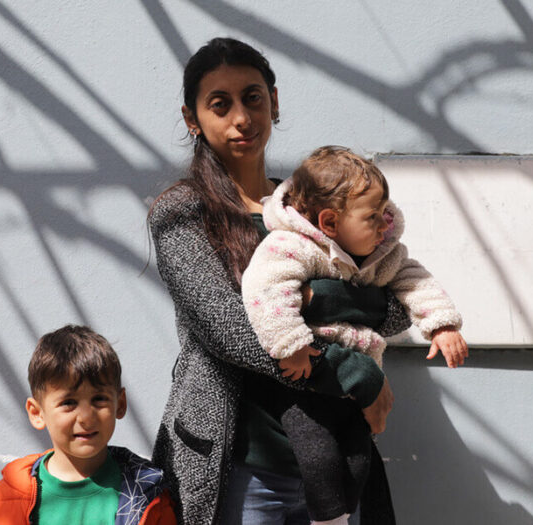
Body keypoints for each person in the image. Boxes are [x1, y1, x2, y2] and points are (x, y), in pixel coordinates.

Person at [149, 37, 411, 525]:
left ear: (274, 100)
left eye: (252, 98)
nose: (242, 118)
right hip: (242, 464)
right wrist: (359, 374)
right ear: (192, 119)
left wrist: (313, 296)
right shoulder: (180, 213)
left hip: (336, 454)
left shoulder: (313, 205)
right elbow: (230, 331)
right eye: (219, 105)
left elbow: (396, 305)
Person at [241, 146, 468, 523]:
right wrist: (291, 344)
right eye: (372, 218)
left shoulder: (380, 254)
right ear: (329, 223)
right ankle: (328, 519)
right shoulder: (291, 245)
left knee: (359, 457)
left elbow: (414, 279)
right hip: (307, 380)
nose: (383, 227)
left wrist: (442, 324)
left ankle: (339, 516)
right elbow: (265, 289)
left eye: (384, 215)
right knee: (318, 455)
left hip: (352, 391)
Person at [0, 325, 176, 525]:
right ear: (37, 413)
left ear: (120, 404)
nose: (86, 417)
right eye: (68, 403)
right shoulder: (3, 503)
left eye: (99, 399)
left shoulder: (149, 497)